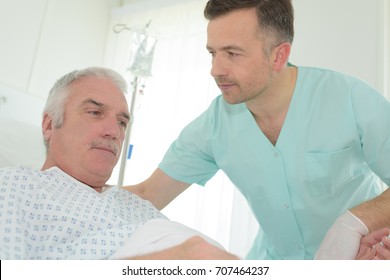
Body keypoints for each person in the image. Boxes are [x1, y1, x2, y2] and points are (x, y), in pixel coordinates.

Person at [125, 0, 390, 260]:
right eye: (212, 53)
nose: (215, 70)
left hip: (363, 259)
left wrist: (354, 223)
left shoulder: (350, 99)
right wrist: (85, 198)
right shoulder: (214, 125)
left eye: (233, 53)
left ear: (279, 56)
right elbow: (148, 194)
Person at [0, 67, 238, 260]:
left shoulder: (135, 205)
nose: (114, 131)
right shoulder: (14, 187)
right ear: (49, 125)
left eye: (122, 122)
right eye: (95, 112)